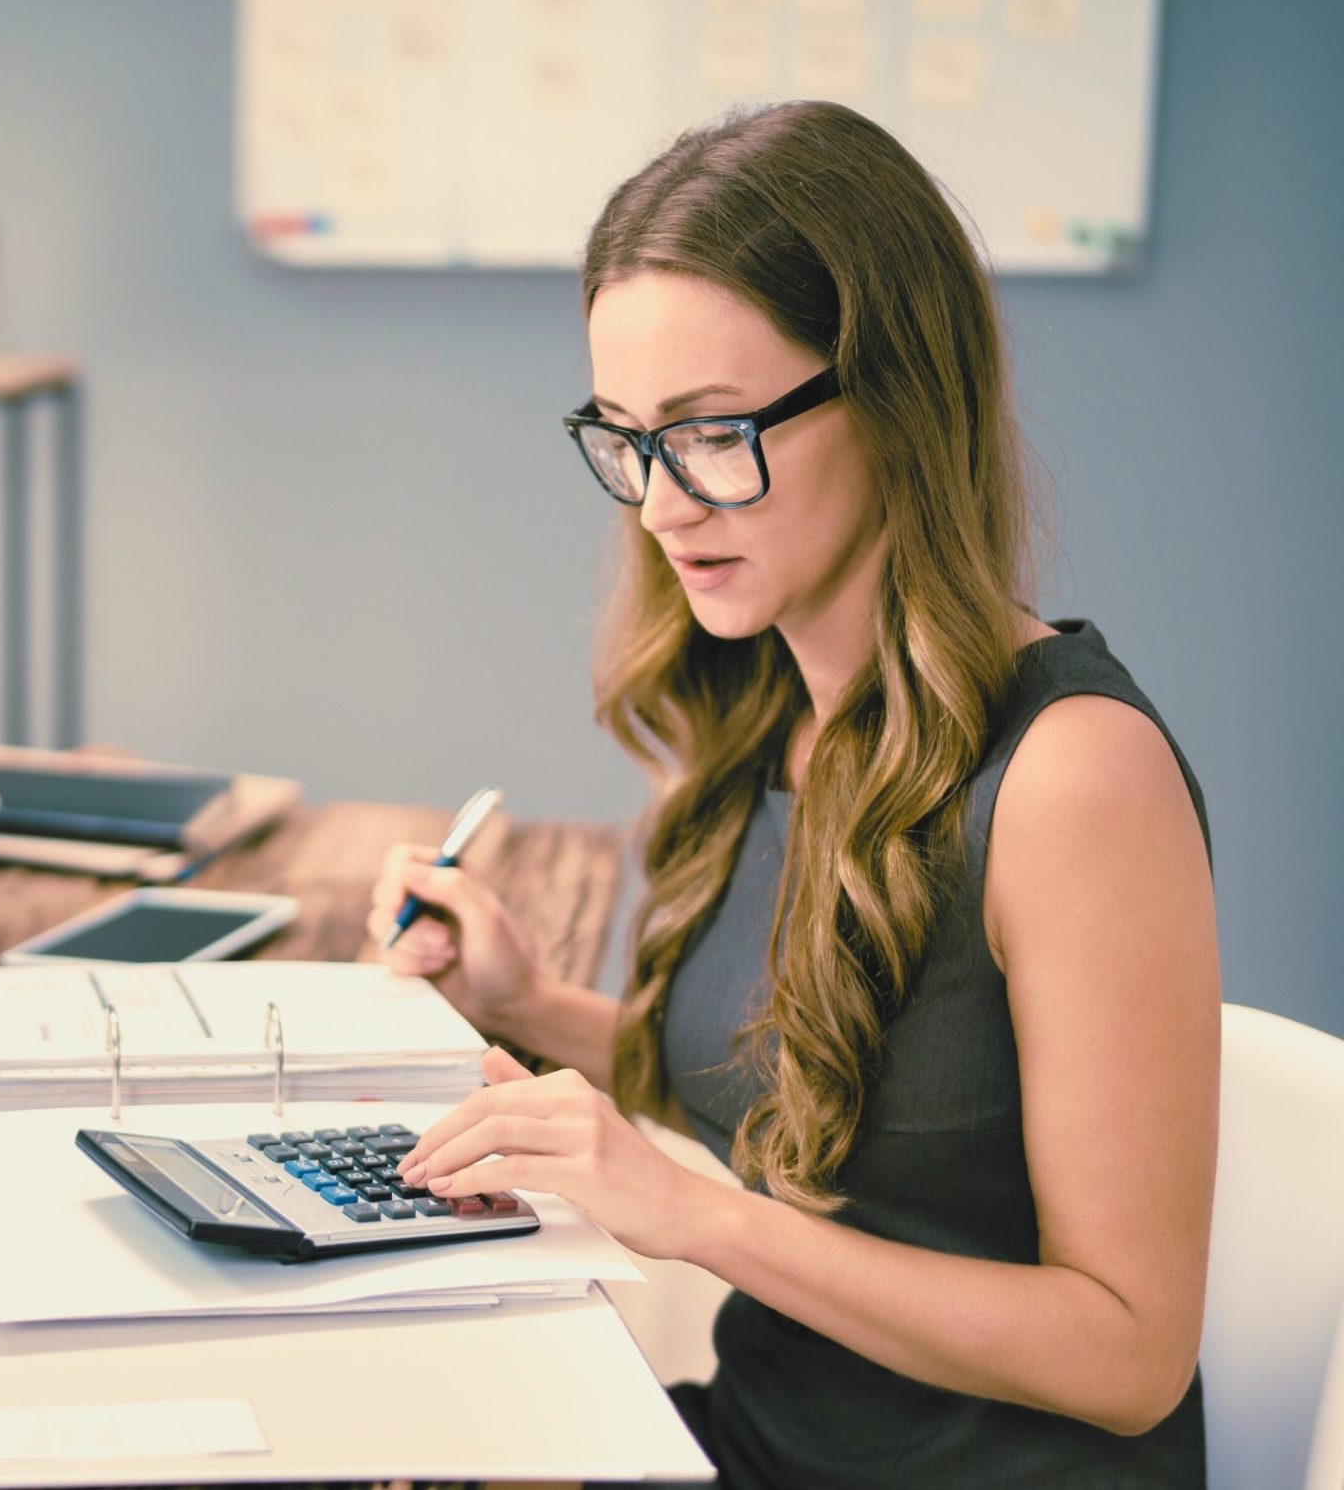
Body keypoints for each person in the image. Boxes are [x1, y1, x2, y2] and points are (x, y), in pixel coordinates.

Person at [369, 100, 1217, 1487]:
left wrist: (694, 1218)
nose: (660, 505)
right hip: (759, 1448)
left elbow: (1129, 1356)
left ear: (893, 400)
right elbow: (835, 1106)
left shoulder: (1072, 777)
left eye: (712, 434)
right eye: (628, 438)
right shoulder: (787, 707)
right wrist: (530, 1005)